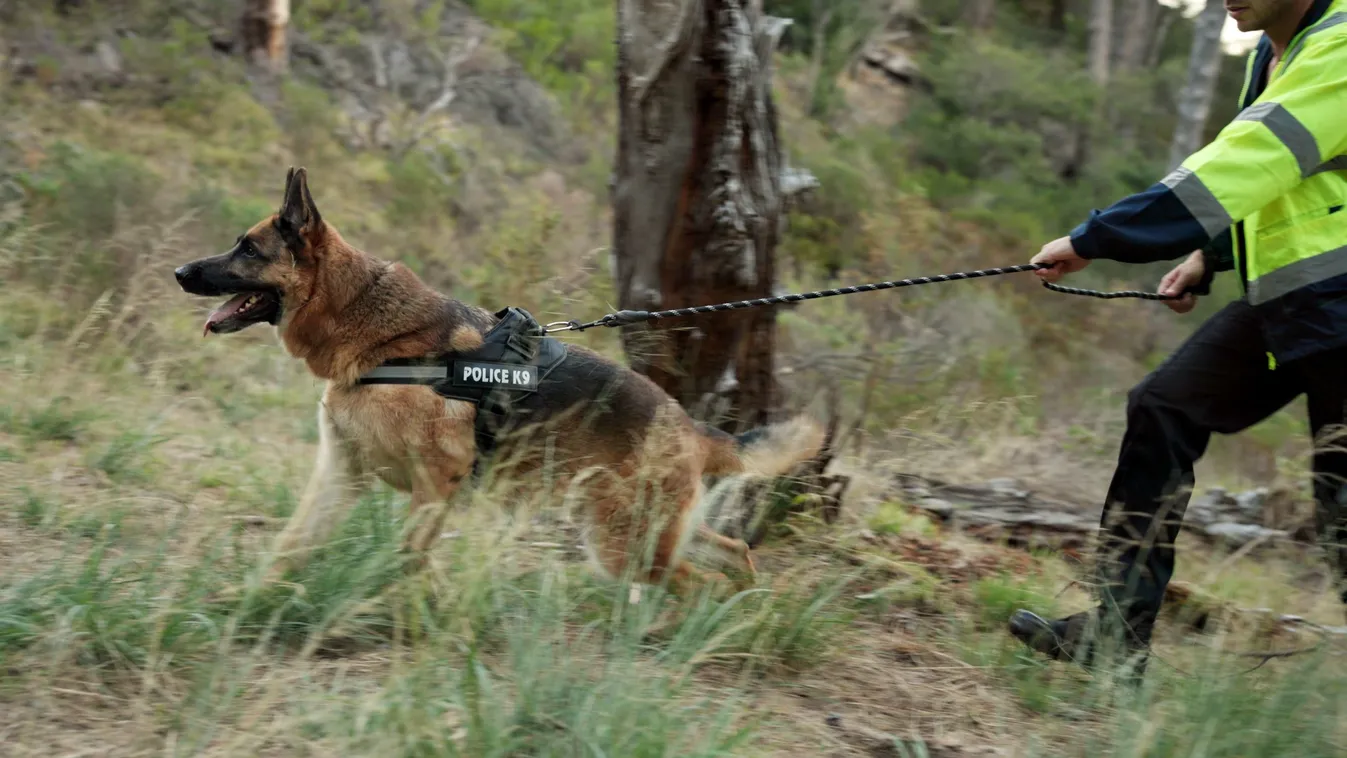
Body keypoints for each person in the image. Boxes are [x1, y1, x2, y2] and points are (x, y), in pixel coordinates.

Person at [1008, 0, 1347, 676]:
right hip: (1297, 303)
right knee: (1164, 407)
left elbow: (1248, 161)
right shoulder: (1272, 50)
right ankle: (1114, 637)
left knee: (1341, 516)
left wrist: (1096, 238)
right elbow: (1281, 180)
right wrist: (1210, 257)